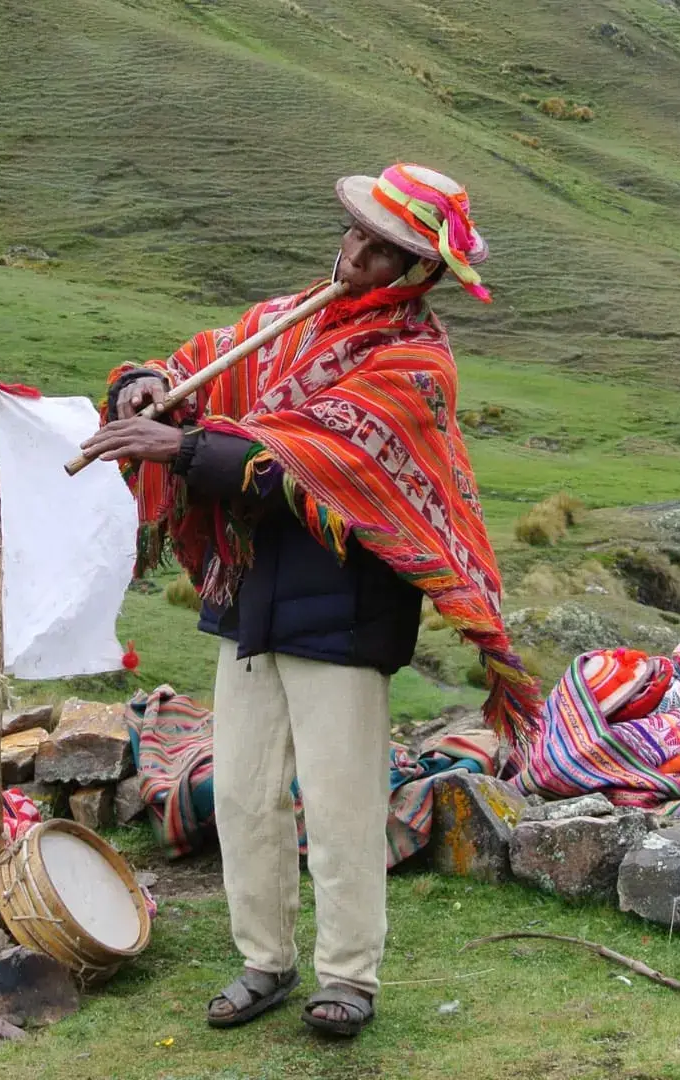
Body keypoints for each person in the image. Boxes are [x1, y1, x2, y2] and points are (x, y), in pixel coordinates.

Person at [79, 164, 535, 1038]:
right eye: (355, 235)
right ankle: (265, 962)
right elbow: (193, 367)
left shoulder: (416, 362)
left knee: (341, 803)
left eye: (382, 249)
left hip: (348, 609)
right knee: (247, 795)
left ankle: (350, 977)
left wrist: (181, 448)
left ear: (416, 271)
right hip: (251, 595)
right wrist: (145, 385)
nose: (355, 254)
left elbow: (307, 462)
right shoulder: (279, 326)